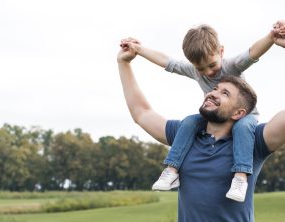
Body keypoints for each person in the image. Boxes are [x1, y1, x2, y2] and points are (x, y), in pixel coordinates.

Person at [117, 33, 285, 222]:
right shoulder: (185, 136)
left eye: (225, 92)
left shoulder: (254, 142)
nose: (213, 91)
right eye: (214, 89)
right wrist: (124, 64)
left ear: (239, 113)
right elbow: (142, 113)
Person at [121, 20, 285, 202]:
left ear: (221, 52)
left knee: (241, 128)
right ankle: (171, 169)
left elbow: (252, 53)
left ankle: (240, 177)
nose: (208, 73)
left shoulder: (231, 66)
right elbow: (167, 63)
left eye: (212, 65)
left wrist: (271, 37)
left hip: (247, 118)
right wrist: (137, 50)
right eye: (201, 69)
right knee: (190, 121)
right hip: (208, 123)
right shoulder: (195, 75)